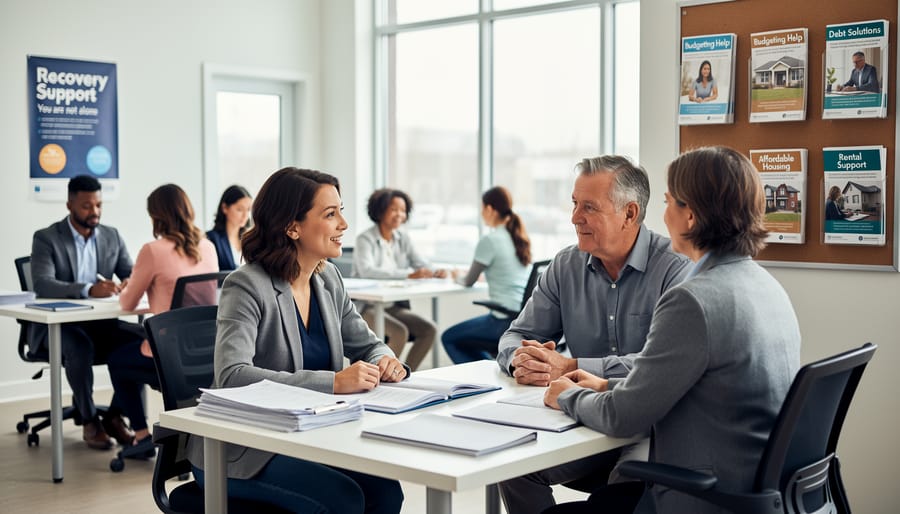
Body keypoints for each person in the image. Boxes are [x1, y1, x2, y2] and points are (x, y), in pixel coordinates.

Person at [543, 146, 802, 514]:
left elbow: (623, 417)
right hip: (757, 487)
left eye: (668, 202)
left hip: (701, 496)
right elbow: (700, 387)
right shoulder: (765, 286)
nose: (662, 215)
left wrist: (566, 396)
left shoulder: (693, 301)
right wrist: (605, 384)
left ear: (690, 216)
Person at [186, 167, 405, 513]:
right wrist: (332, 383)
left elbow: (367, 343)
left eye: (341, 212)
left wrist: (385, 359)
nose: (343, 225)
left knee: (386, 492)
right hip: (243, 447)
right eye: (330, 214)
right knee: (342, 500)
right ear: (292, 227)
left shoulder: (328, 277)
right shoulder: (246, 285)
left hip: (311, 434)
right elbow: (232, 376)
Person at [496, 156, 692, 514]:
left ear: (630, 214)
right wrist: (521, 360)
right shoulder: (565, 265)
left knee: (625, 485)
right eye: (574, 204)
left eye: (588, 207)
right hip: (581, 419)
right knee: (512, 466)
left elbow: (660, 367)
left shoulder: (676, 270)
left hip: (648, 428)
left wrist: (569, 365)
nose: (574, 218)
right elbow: (516, 335)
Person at [29, 175, 144, 450]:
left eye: (98, 205)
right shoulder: (47, 238)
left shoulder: (111, 236)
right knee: (80, 347)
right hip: (57, 327)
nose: (94, 212)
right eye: (86, 206)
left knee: (144, 342)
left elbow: (131, 272)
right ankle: (90, 420)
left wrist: (130, 281)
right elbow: (43, 283)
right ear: (70, 205)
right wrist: (89, 290)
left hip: (100, 324)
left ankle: (116, 417)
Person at [112, 184, 218, 454]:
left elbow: (127, 303)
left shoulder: (153, 250)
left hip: (169, 358)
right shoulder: (208, 247)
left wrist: (131, 286)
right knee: (132, 349)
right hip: (204, 357)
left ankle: (141, 435)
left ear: (156, 217)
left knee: (117, 359)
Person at [353, 188, 446, 371]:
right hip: (367, 307)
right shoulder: (365, 239)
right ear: (380, 211)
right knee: (399, 332)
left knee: (429, 330)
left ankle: (405, 374)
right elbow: (367, 271)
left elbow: (420, 262)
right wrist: (407, 274)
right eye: (394, 209)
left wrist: (436, 271)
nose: (399, 215)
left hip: (392, 306)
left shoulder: (402, 238)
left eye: (403, 211)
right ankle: (381, 379)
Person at [441, 186, 531, 364]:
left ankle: (485, 376)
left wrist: (455, 275)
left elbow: (468, 281)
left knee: (449, 338)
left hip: (503, 320)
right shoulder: (517, 237)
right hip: (522, 317)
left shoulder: (489, 240)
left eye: (482, 209)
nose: (482, 214)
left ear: (489, 209)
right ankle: (492, 371)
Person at [206, 184, 252, 271]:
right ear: (225, 208)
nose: (245, 215)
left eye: (248, 210)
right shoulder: (211, 239)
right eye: (240, 209)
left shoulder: (250, 238)